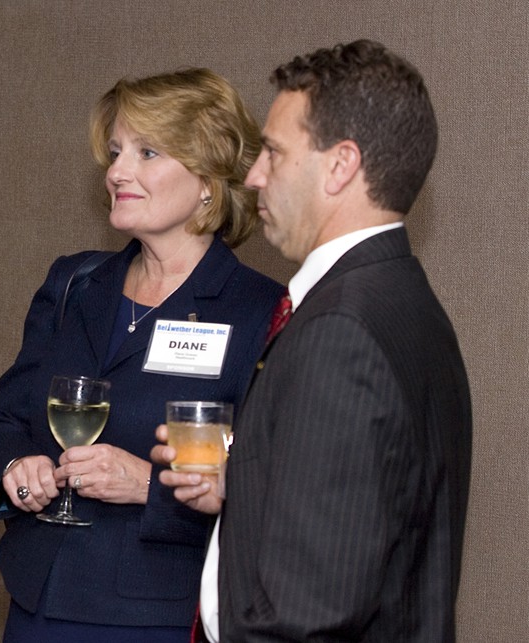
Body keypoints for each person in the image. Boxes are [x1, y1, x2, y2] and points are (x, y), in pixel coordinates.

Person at [154, 40, 472, 642]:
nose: (253, 176)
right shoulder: (403, 299)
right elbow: (364, 517)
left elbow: (306, 615)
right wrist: (246, 484)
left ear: (340, 164)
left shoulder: (339, 333)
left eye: (274, 152)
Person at [0, 68, 284, 641]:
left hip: (157, 614)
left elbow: (272, 490)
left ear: (208, 179)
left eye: (147, 152)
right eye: (116, 152)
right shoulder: (73, 283)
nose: (117, 171)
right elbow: (6, 418)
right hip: (38, 603)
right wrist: (17, 469)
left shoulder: (259, 312)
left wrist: (149, 482)